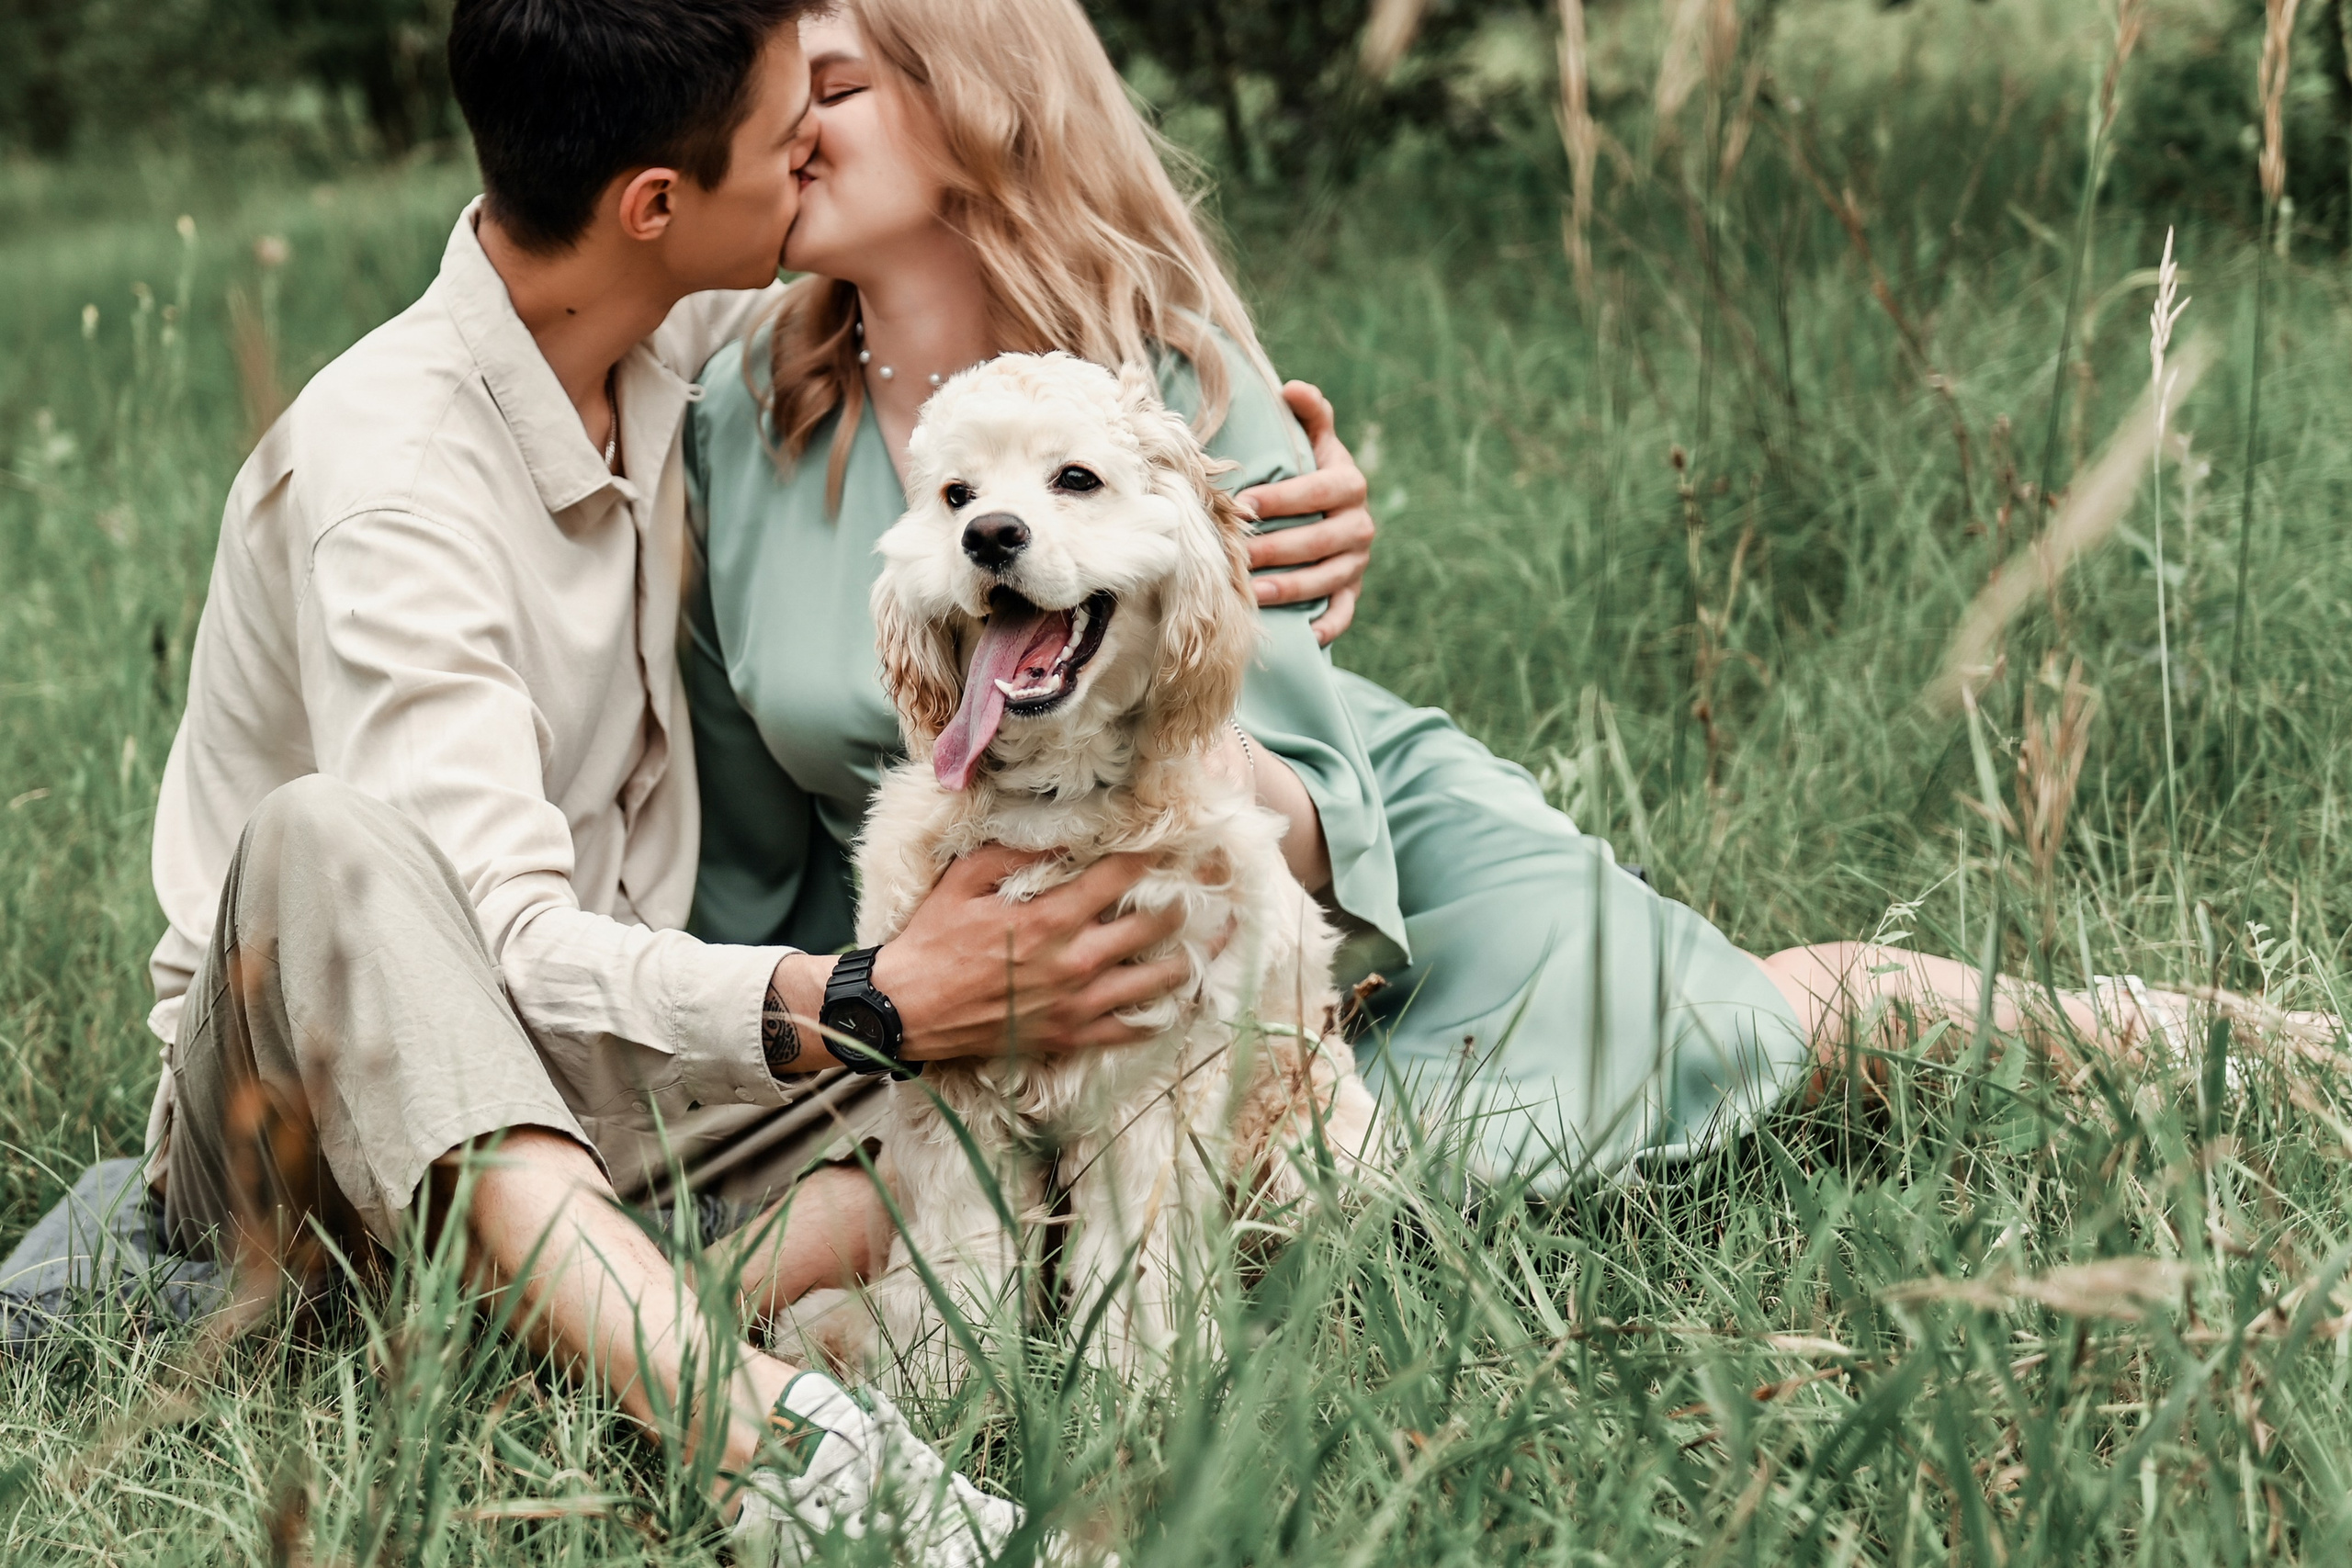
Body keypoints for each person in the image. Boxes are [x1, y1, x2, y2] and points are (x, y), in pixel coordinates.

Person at [683, 0, 2332, 1221]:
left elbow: (1294, 798)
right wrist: (848, 1023)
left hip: (1329, 896)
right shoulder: (736, 413)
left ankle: (2158, 1037)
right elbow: (753, 839)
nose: (785, 131)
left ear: (979, 103)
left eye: (831, 89)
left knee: (1710, 1052)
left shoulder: (1165, 375)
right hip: (978, 963)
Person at [114, 0, 1374, 1561]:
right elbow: (495, 947)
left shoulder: (677, 338)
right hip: (311, 1112)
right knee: (329, 841)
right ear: (658, 205)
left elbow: (993, 357)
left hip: (637, 1074)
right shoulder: (391, 486)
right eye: (793, 140)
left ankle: (559, 1324)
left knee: (1122, 1043)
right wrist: (865, 1003)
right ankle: (778, 1449)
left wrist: (1251, 489)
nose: (818, 159)